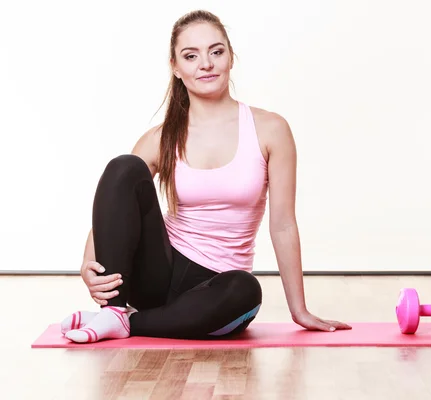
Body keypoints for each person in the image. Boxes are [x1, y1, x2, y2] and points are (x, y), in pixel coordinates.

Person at [60, 9, 351, 343]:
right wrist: (88, 264)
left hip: (217, 288)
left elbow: (283, 224)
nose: (206, 63)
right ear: (176, 67)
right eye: (191, 55)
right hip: (157, 272)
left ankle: (129, 323)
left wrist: (299, 310)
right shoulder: (160, 138)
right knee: (124, 166)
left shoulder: (271, 129)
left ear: (230, 57)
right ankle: (114, 310)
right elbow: (117, 200)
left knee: (246, 290)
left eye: (216, 51)